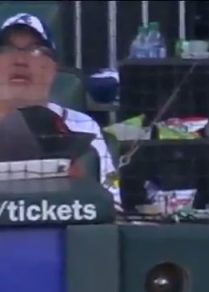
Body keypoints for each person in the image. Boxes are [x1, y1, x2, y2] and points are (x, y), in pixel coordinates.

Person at [0, 12, 119, 205]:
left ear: (53, 68)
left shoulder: (84, 128)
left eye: (35, 51)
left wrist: (80, 187)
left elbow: (112, 207)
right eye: (6, 50)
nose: (20, 60)